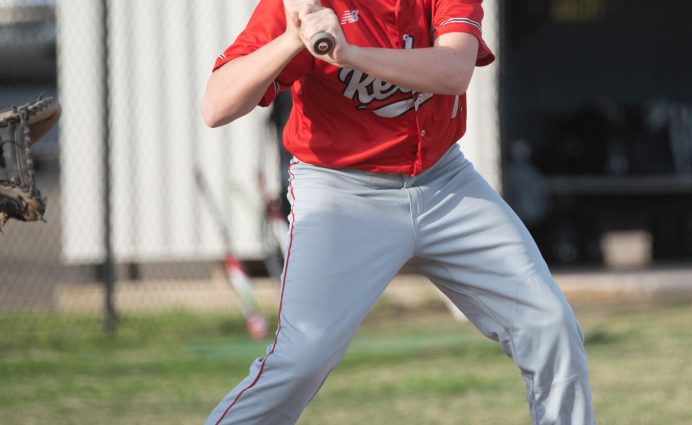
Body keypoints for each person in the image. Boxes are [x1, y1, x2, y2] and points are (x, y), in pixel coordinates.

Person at [200, 1, 597, 424]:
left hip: (444, 180)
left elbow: (453, 71)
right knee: (302, 358)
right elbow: (216, 106)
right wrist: (290, 39)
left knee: (548, 323)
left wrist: (347, 54)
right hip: (342, 190)